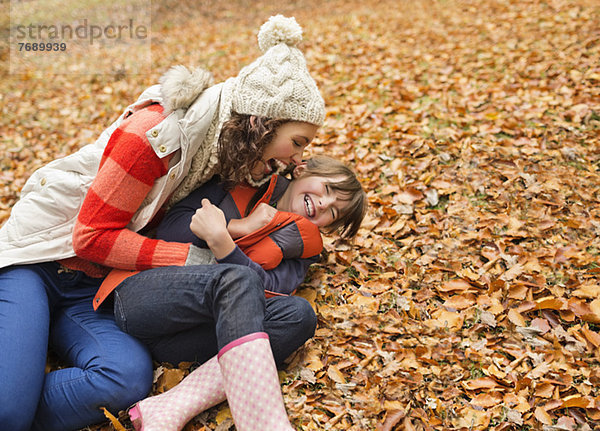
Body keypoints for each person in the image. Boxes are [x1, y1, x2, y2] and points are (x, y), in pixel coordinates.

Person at [0, 15, 325, 431]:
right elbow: (90, 237)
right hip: (38, 262)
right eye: (297, 142)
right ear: (260, 123)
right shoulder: (154, 136)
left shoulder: (220, 153)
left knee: (125, 380)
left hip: (93, 290)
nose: (299, 158)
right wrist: (198, 258)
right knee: (10, 410)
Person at [110, 156, 367, 431]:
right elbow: (170, 228)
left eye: (334, 212)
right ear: (302, 170)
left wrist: (223, 245)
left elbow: (268, 292)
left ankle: (172, 405)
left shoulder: (303, 248)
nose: (323, 204)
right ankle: (262, 425)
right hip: (144, 300)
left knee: (299, 315)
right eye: (327, 190)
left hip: (186, 341)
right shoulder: (244, 179)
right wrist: (235, 228)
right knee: (240, 278)